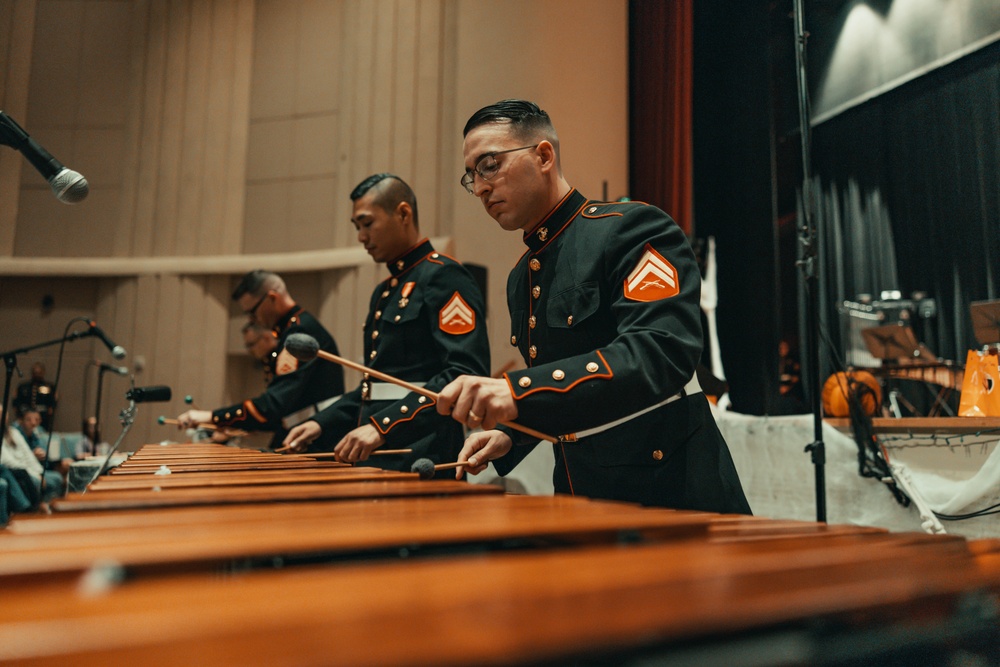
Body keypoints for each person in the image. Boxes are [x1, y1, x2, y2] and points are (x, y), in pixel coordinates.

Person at [436, 99, 751, 514]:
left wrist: (517, 390)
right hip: (582, 497)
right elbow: (573, 389)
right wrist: (517, 434)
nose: (479, 187)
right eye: (471, 175)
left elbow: (660, 354)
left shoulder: (631, 229)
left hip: (671, 495)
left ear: (544, 155)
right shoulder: (521, 278)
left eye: (490, 164)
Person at [282, 173, 490, 475]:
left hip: (421, 456)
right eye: (357, 227)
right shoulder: (384, 292)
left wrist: (383, 427)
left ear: (403, 213)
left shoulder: (444, 277)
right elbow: (375, 386)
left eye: (367, 224)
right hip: (376, 454)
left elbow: (464, 373)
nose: (361, 237)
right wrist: (320, 422)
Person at [176, 270, 345, 448]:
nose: (252, 319)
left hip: (319, 440)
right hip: (301, 434)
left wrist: (212, 417)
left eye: (252, 311)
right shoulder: (290, 329)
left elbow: (273, 405)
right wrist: (236, 424)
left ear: (272, 297)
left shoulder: (299, 332)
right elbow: (288, 408)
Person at [1, 409, 64, 505]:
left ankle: (52, 507)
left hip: (31, 470)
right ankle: (39, 509)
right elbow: (7, 461)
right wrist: (35, 475)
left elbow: (28, 455)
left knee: (57, 478)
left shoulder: (14, 432)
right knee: (36, 481)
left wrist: (39, 473)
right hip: (18, 472)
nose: (33, 423)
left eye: (4, 414)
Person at [15, 362, 57, 432]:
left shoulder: (49, 387)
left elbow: (52, 405)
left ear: (43, 373)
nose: (37, 375)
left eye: (39, 373)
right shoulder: (23, 387)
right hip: (25, 417)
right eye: (35, 372)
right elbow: (16, 403)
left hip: (43, 419)